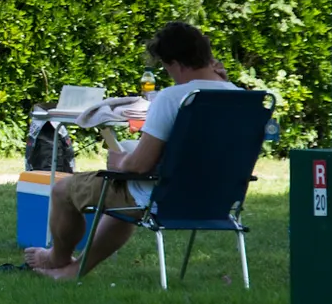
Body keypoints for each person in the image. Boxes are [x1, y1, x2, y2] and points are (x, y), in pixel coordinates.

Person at [21, 21, 238, 279]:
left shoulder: (173, 98)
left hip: (162, 197)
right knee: (122, 199)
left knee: (62, 191)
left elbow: (139, 166)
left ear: (176, 64)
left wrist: (120, 162)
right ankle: (74, 270)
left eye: (167, 68)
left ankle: (57, 258)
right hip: (218, 198)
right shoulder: (241, 97)